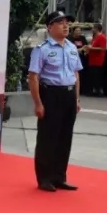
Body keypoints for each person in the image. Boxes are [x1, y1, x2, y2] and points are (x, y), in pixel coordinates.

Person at [28, 11, 83, 192]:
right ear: (50, 27)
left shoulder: (71, 47)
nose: (66, 26)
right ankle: (44, 178)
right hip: (51, 94)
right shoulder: (42, 49)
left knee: (65, 137)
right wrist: (38, 103)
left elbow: (76, 74)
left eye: (67, 23)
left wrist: (76, 98)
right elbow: (33, 77)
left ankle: (59, 176)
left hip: (69, 95)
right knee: (48, 137)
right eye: (60, 23)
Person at [82, 23, 107, 96]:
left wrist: (90, 48)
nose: (92, 29)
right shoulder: (95, 37)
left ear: (97, 29)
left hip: (98, 60)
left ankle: (98, 91)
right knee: (92, 76)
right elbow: (93, 46)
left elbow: (101, 48)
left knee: (96, 76)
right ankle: (94, 90)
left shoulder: (102, 37)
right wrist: (88, 50)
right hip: (92, 59)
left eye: (93, 28)